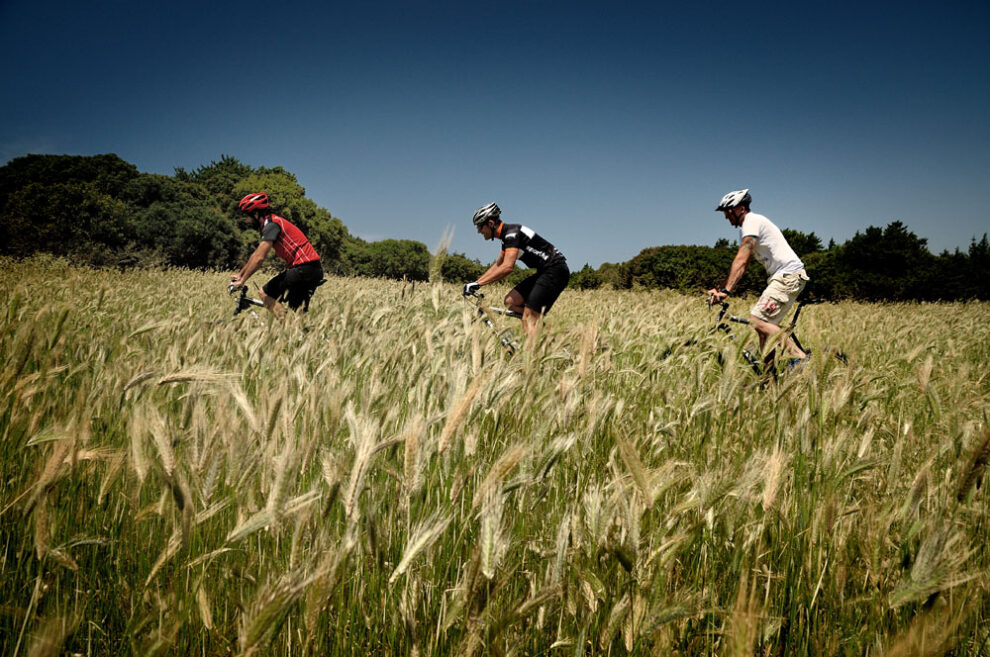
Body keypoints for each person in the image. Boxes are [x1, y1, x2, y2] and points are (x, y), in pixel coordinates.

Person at [706, 189, 810, 365]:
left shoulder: (751, 221)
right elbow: (742, 266)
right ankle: (769, 380)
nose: (726, 217)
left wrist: (726, 290)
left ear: (739, 209)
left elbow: (742, 257)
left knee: (757, 320)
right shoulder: (747, 228)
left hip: (788, 276)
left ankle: (800, 359)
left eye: (727, 212)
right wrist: (721, 287)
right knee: (764, 332)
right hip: (784, 277)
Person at [463, 202, 570, 340]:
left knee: (528, 318)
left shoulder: (512, 234)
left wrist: (479, 284)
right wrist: (476, 282)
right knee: (510, 301)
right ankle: (541, 325)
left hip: (555, 270)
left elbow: (507, 267)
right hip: (545, 271)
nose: (479, 231)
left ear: (490, 223)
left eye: (480, 226)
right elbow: (498, 264)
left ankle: (533, 359)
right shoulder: (507, 237)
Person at [229, 193, 323, 318]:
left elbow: (259, 258)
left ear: (256, 213)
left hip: (303, 268)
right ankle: (300, 334)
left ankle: (289, 331)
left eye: (246, 215)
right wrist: (240, 275)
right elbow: (256, 254)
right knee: (297, 314)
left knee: (265, 293)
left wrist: (242, 281)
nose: (245, 219)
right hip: (311, 269)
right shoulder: (270, 224)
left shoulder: (272, 225)